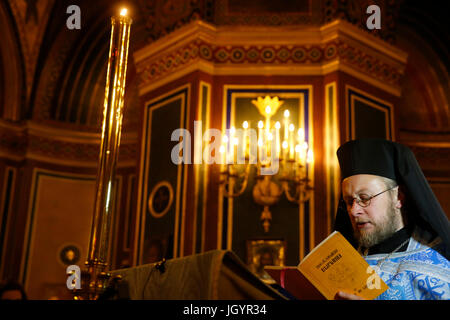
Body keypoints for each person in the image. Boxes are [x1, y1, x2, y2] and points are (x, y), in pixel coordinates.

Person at [333, 139, 449, 300]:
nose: (354, 211)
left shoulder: (438, 264)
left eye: (365, 198)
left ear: (398, 197)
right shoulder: (341, 260)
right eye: (348, 201)